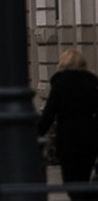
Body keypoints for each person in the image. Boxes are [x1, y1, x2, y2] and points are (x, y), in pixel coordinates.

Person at [38, 49, 98, 200]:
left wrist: (36, 133)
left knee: (70, 181)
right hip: (89, 138)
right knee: (84, 178)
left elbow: (49, 115)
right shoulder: (92, 83)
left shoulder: (59, 84)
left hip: (67, 139)